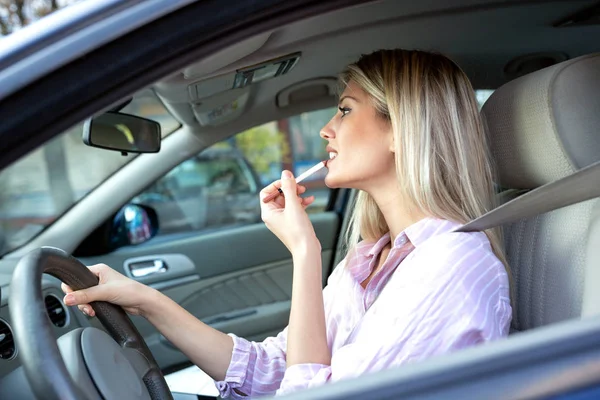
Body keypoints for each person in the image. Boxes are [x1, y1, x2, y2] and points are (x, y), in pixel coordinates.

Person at [62, 49, 512, 398]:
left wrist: (304, 251)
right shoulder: (372, 257)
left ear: (402, 128)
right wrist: (145, 300)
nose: (327, 129)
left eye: (346, 110)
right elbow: (277, 368)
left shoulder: (452, 266)